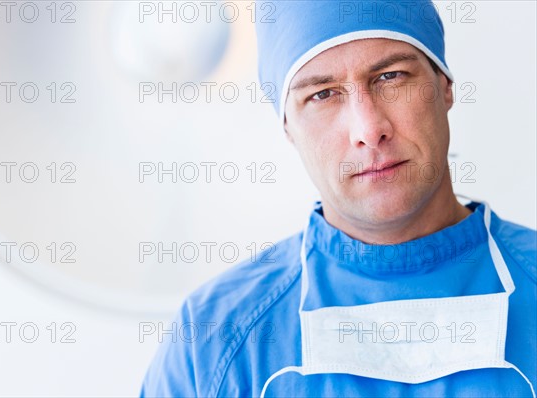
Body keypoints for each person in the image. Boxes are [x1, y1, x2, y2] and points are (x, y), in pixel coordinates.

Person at [140, 1, 536, 396]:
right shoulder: (214, 340)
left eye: (390, 76)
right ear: (287, 127)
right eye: (323, 94)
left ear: (445, 85)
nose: (368, 128)